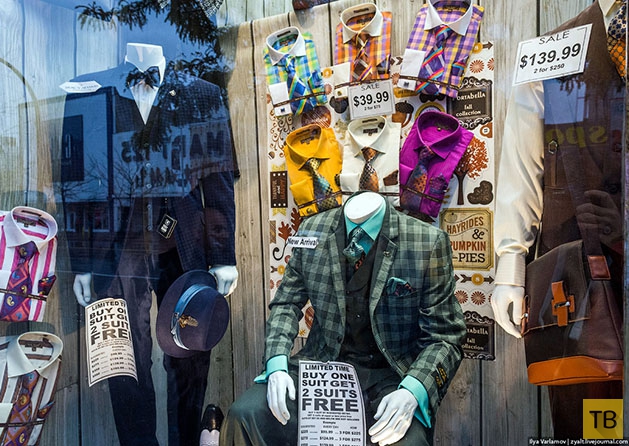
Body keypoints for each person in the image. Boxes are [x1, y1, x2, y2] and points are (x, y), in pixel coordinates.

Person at [61, 42, 237, 445]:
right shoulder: (88, 93)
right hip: (117, 247)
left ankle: (186, 440)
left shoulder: (203, 94)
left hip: (185, 244)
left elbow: (218, 176)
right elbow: (75, 181)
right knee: (123, 355)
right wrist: (83, 260)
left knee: (190, 350)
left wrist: (222, 254)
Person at [221, 191, 466, 446]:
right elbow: (286, 303)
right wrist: (276, 364)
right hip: (320, 368)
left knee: (408, 442)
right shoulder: (312, 230)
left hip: (391, 377)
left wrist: (414, 389)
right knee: (244, 415)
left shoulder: (427, 241)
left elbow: (445, 336)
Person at [491, 0, 624, 439]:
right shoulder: (550, 50)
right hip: (580, 282)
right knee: (594, 426)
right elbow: (522, 163)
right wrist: (511, 265)